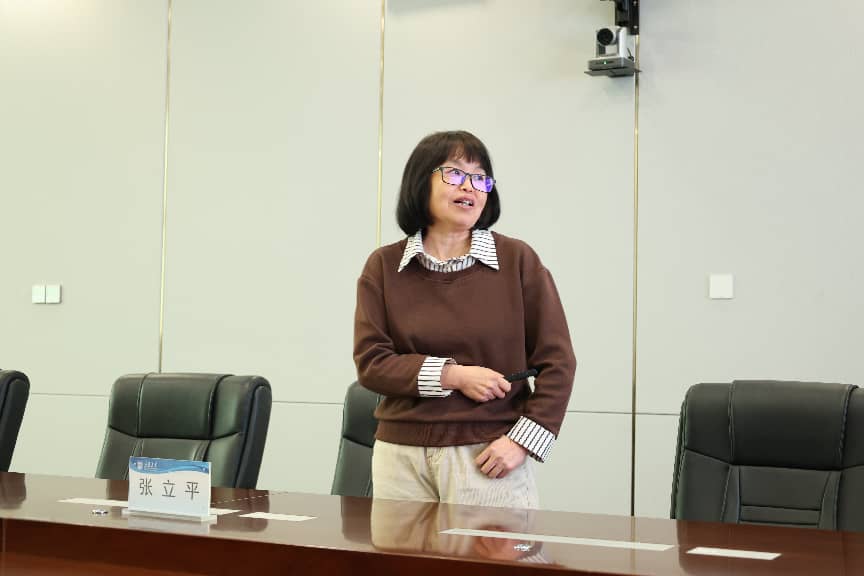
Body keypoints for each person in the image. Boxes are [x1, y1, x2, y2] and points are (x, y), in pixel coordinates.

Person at [353, 130, 576, 509]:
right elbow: (372, 365)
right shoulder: (384, 266)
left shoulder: (517, 260)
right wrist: (453, 375)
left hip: (488, 455)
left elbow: (559, 363)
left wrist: (522, 442)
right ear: (420, 181)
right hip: (399, 457)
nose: (470, 186)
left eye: (480, 177)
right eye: (455, 173)